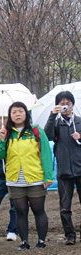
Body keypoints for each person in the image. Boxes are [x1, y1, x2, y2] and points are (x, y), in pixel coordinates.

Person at [0, 101, 54, 250]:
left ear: (26, 113)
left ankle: (41, 241)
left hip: (35, 178)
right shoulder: (6, 133)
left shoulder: (36, 131)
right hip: (15, 180)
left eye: (20, 111)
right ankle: (24, 242)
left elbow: (45, 154)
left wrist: (48, 176)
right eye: (14, 112)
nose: (17, 114)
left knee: (38, 210)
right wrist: (1, 140)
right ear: (10, 116)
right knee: (20, 212)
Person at [44, 91, 81, 245]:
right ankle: (70, 235)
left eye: (68, 103)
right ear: (58, 105)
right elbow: (46, 135)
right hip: (64, 171)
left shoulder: (79, 121)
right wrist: (52, 115)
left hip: (80, 169)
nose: (65, 105)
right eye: (62, 103)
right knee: (65, 207)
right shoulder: (56, 123)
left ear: (73, 104)